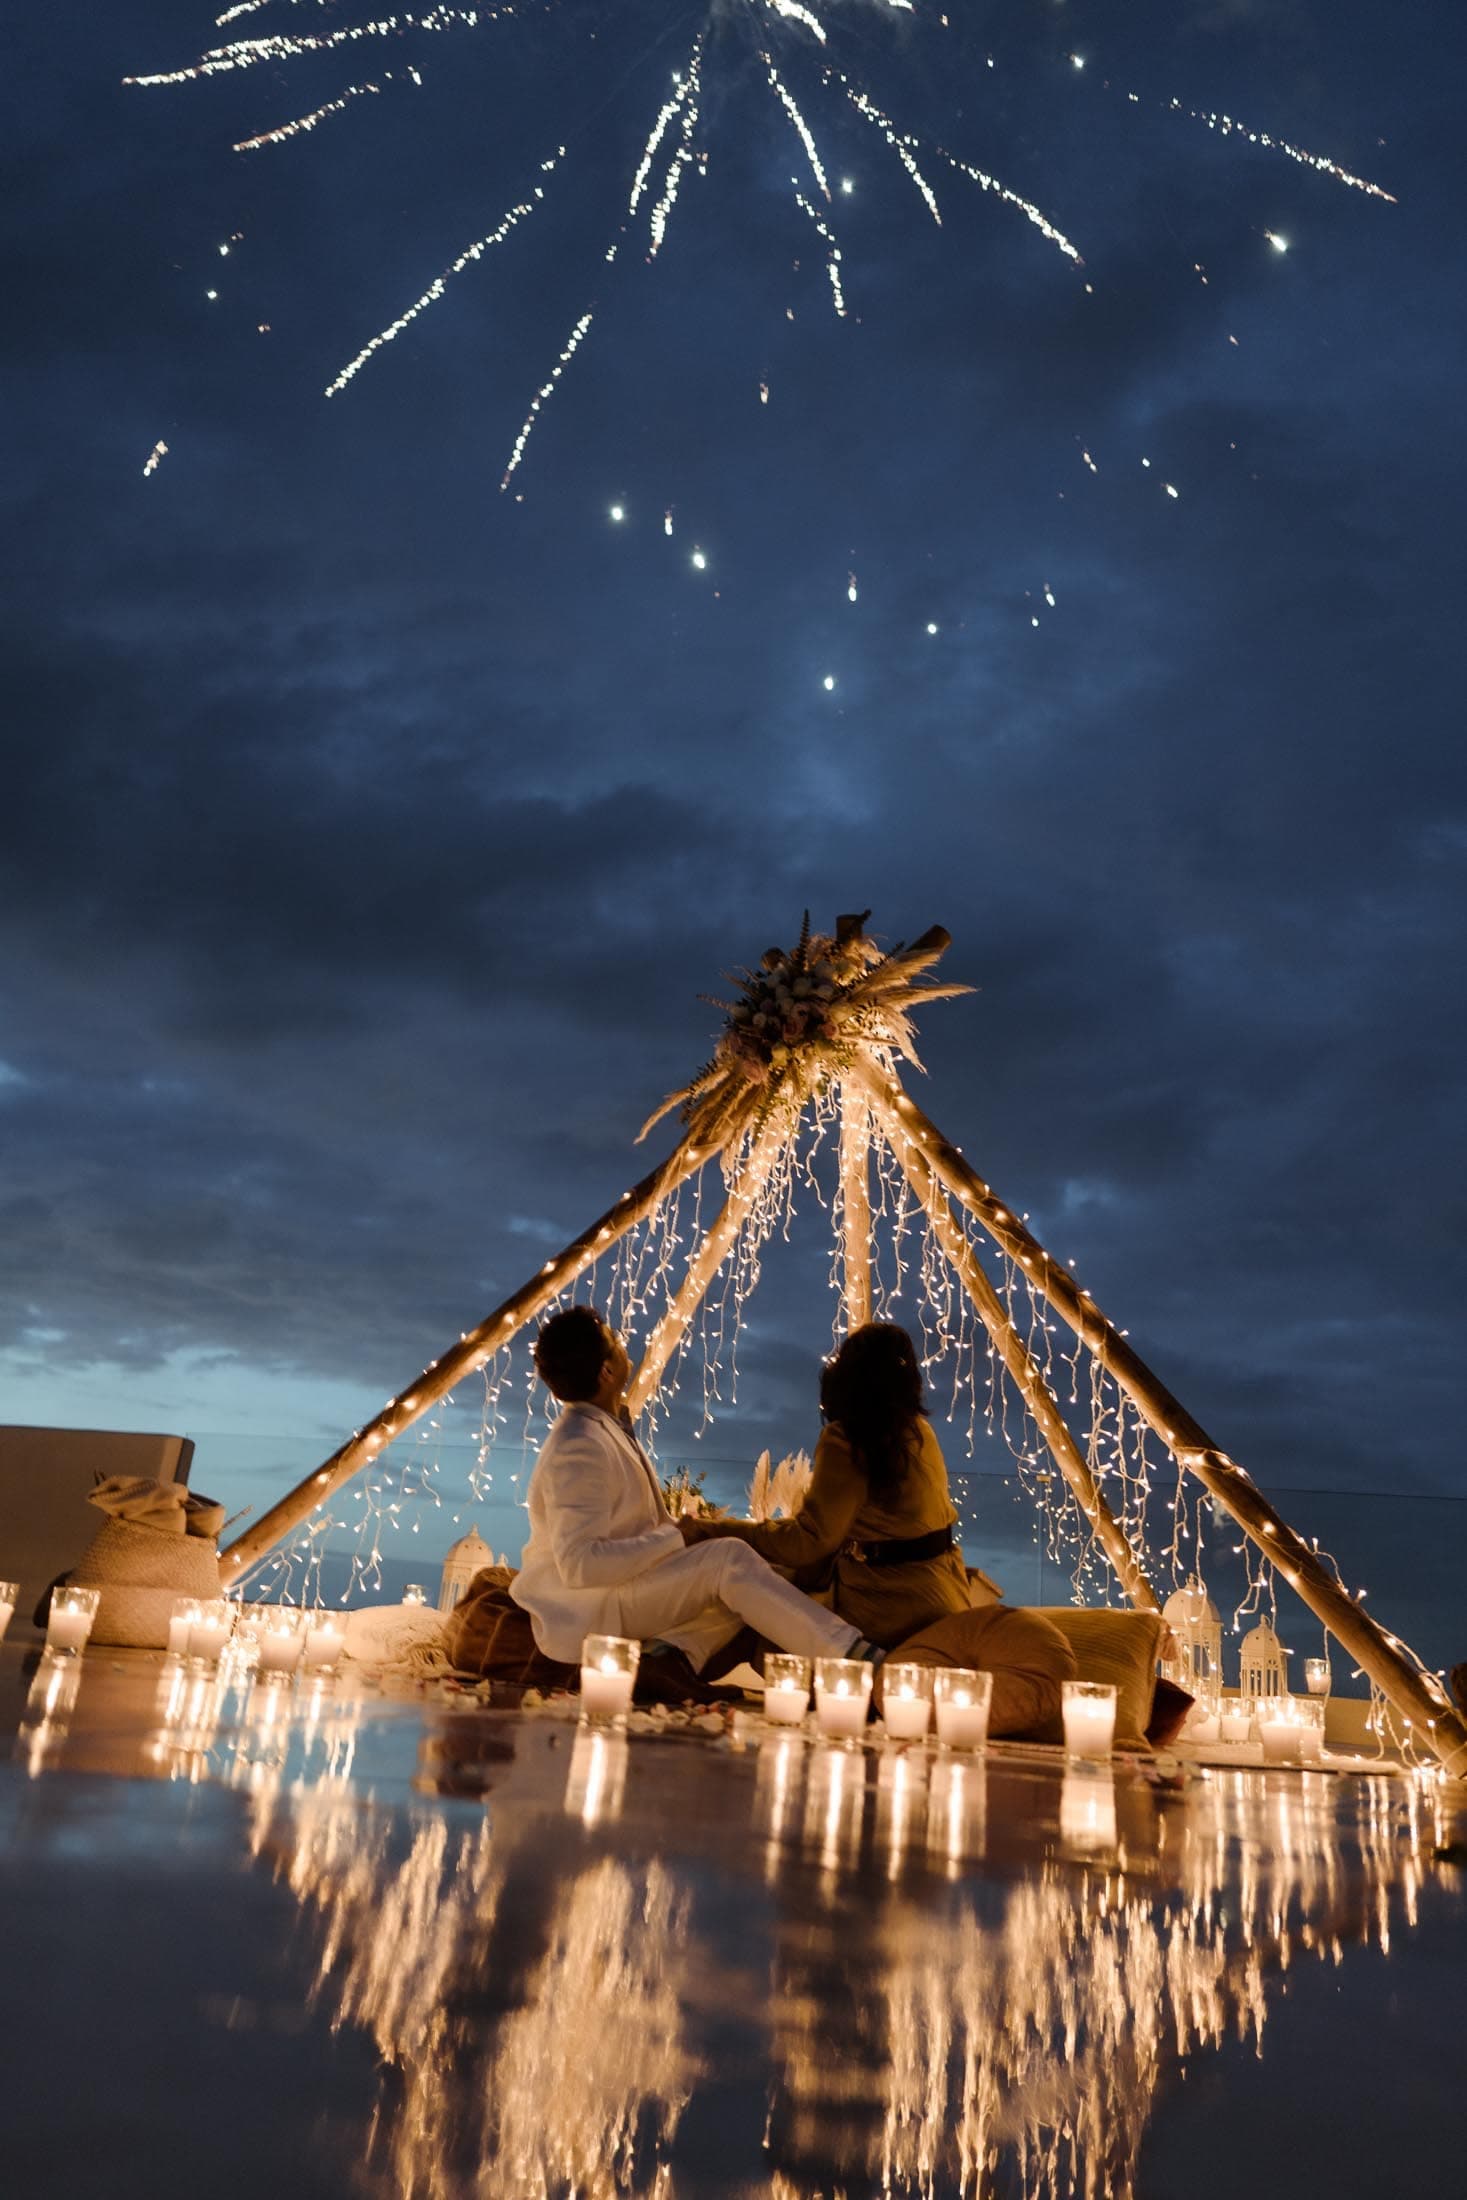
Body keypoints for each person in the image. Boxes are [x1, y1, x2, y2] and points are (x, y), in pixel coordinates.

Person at [511, 1305, 884, 1679]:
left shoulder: (604, 1427)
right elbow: (581, 1566)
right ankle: (855, 1661)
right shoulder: (578, 1444)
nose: (625, 1346)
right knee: (728, 1560)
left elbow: (633, 1529)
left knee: (768, 1572)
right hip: (595, 1607)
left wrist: (685, 1535)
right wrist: (675, 1538)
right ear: (606, 1372)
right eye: (616, 1342)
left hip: (627, 1586)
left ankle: (670, 1656)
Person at [684, 1321, 971, 1649]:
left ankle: (671, 1666)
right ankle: (674, 1667)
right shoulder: (919, 1434)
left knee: (752, 1615)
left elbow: (808, 1541)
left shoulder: (850, 1440)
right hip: (944, 1600)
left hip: (886, 1611)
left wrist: (711, 1531)